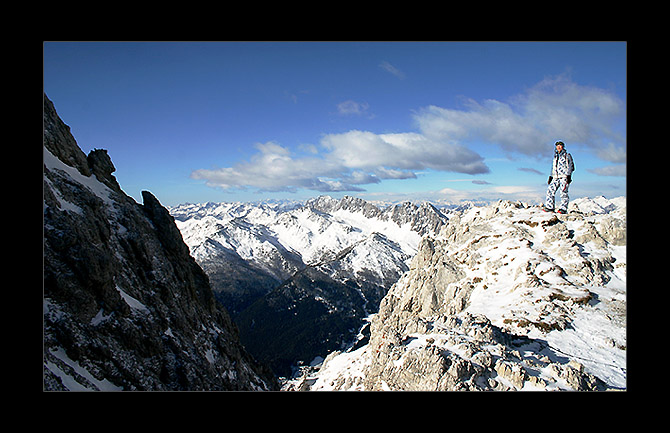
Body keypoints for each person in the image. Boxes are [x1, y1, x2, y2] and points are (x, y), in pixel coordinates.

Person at [543, 140, 574, 214]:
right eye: (557, 145)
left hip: (564, 176)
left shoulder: (567, 155)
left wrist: (569, 175)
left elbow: (571, 166)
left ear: (563, 147)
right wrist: (551, 176)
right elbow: (553, 167)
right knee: (550, 190)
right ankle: (550, 207)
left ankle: (563, 208)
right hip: (555, 177)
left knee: (563, 192)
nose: (559, 147)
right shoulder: (555, 157)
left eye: (560, 145)